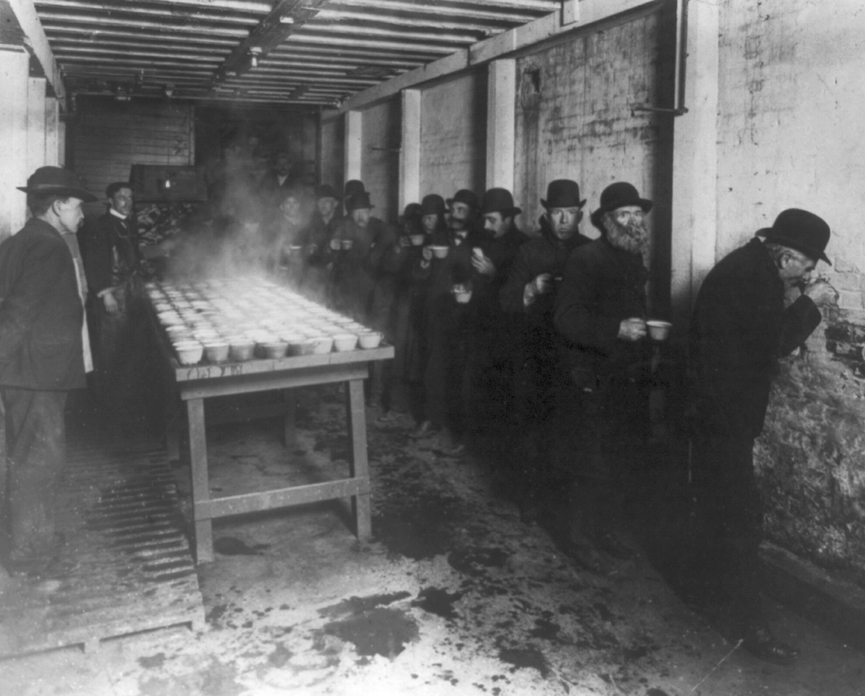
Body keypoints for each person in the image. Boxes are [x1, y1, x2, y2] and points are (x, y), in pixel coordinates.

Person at [687, 208, 837, 665]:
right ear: (787, 256)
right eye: (807, 267)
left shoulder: (747, 268)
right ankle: (747, 626)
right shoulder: (752, 280)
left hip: (714, 412)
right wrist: (813, 303)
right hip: (724, 417)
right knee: (742, 518)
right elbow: (771, 341)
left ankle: (709, 597)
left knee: (720, 511)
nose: (808, 275)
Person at [0, 166, 96, 576]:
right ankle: (31, 552)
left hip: (29, 372)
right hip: (36, 374)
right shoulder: (49, 246)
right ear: (57, 206)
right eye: (77, 207)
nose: (82, 215)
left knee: (30, 457)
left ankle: (32, 539)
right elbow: (18, 315)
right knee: (40, 460)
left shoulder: (18, 241)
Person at [554, 182, 654, 568]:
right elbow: (566, 318)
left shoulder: (633, 258)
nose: (632, 221)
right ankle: (579, 539)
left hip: (626, 374)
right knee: (588, 458)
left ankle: (606, 529)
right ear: (605, 221)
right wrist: (616, 329)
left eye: (637, 214)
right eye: (623, 215)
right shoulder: (586, 257)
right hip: (589, 374)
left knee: (620, 455)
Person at [499, 179, 592, 522]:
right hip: (534, 352)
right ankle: (531, 500)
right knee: (532, 426)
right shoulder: (530, 252)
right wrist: (531, 288)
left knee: (569, 431)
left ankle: (563, 503)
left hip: (574, 357)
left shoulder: (590, 250)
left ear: (581, 214)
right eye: (557, 213)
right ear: (547, 215)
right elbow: (506, 301)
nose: (564, 221)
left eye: (570, 213)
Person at [80, 182, 145, 407]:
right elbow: (93, 261)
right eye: (122, 197)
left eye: (130, 198)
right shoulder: (101, 225)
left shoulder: (127, 224)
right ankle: (107, 401)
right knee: (109, 347)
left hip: (128, 291)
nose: (128, 202)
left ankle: (124, 396)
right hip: (112, 295)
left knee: (125, 343)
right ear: (110, 200)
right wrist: (106, 294)